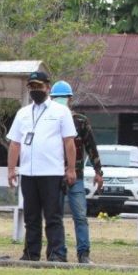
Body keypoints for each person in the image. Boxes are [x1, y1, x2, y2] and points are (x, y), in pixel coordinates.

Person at [6, 71, 77, 262]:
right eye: (32, 87)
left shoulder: (61, 112)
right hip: (28, 173)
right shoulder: (23, 113)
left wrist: (71, 169)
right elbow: (15, 143)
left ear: (47, 87)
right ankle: (31, 253)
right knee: (31, 217)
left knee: (53, 216)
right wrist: (11, 169)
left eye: (39, 86)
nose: (35, 91)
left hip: (51, 172)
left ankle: (57, 254)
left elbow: (69, 142)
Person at [50, 80, 104, 264]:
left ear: (70, 99)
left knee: (80, 216)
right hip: (53, 176)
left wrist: (99, 171)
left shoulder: (80, 121)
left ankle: (84, 254)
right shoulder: (48, 121)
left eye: (63, 98)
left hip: (76, 177)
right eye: (58, 98)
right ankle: (58, 252)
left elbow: (91, 147)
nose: (61, 101)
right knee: (55, 217)